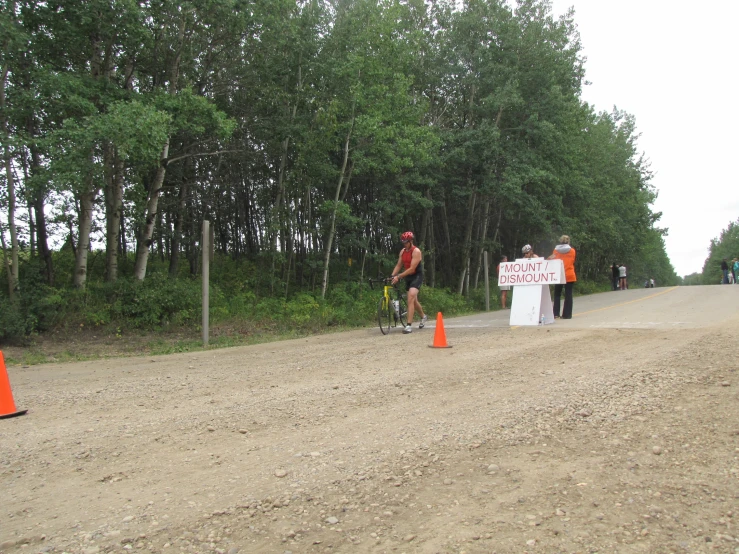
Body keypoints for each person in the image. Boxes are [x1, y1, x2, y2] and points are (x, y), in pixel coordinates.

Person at [391, 231, 427, 334]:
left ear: (411, 241)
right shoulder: (402, 251)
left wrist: (398, 276)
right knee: (413, 301)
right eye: (403, 242)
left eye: (406, 242)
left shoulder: (416, 251)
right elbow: (399, 265)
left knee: (410, 297)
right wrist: (392, 275)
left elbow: (412, 269)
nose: (404, 244)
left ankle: (408, 325)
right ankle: (423, 316)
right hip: (408, 276)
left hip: (417, 275)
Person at [547, 235, 576, 319]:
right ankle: (567, 315)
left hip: (559, 274)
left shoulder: (556, 251)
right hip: (569, 274)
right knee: (568, 294)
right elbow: (573, 261)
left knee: (557, 294)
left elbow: (551, 259)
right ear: (568, 241)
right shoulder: (572, 251)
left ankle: (555, 313)